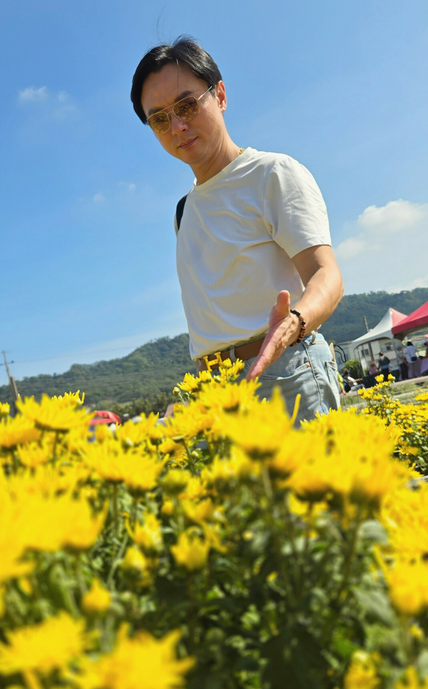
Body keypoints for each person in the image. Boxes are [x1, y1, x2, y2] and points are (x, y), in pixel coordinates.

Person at [132, 37, 343, 422]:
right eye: (159, 118)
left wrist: (293, 324)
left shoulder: (271, 173)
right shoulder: (183, 211)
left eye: (187, 105)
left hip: (286, 370)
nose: (177, 126)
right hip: (216, 392)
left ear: (221, 95)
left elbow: (326, 275)